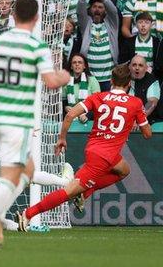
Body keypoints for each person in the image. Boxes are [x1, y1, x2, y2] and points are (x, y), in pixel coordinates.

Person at [0, 0, 70, 249]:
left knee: (27, 171)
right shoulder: (36, 45)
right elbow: (51, 83)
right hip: (17, 119)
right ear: (37, 18)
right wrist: (64, 76)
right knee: (11, 175)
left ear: (14, 16)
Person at [17, 64, 152, 229]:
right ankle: (29, 214)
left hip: (95, 149)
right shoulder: (135, 102)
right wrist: (131, 123)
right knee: (69, 191)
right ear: (129, 84)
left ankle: (85, 192)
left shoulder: (97, 97)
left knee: (124, 169)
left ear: (111, 81)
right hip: (103, 157)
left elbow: (70, 115)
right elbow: (147, 134)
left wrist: (62, 139)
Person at [63, 53, 101, 122]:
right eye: (74, 62)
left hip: (88, 117)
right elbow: (63, 101)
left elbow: (97, 104)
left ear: (84, 66)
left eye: (80, 62)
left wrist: (87, 115)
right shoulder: (66, 80)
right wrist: (65, 107)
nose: (77, 64)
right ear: (71, 66)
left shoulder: (92, 80)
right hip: (71, 117)